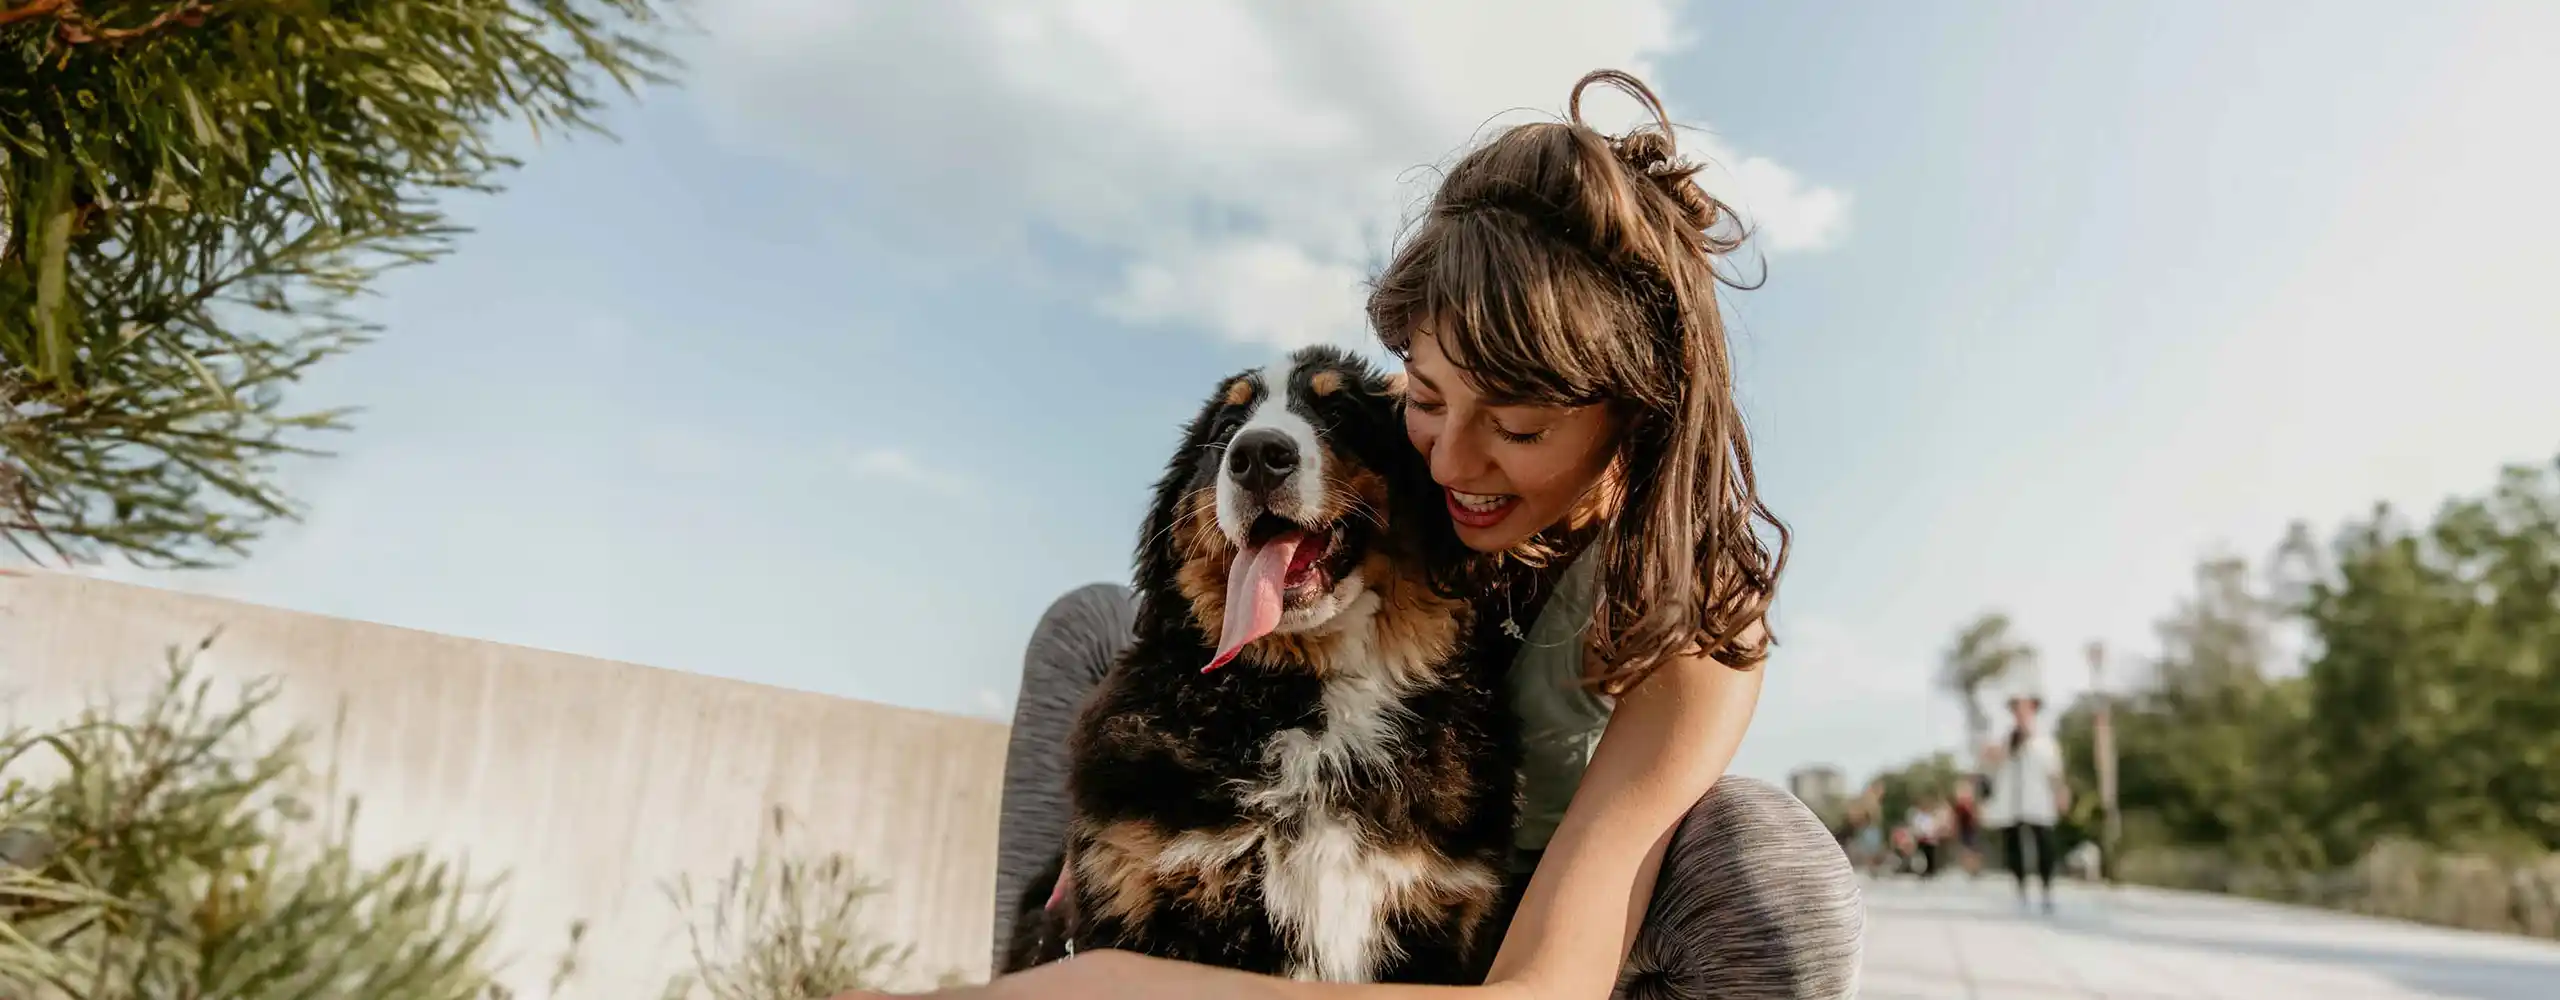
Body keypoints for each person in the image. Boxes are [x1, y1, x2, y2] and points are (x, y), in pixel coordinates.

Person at [839, 70, 1865, 1000]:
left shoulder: (1689, 625)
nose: (1452, 464)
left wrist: (1116, 987)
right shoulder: (1387, 461)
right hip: (1273, 838)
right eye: (1422, 394)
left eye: (1517, 428)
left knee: (1767, 852)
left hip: (1490, 947)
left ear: (1634, 416)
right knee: (1091, 624)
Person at [1981, 693, 2068, 913]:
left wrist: (2060, 794)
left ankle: (2047, 889)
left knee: (2044, 846)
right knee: (2014, 847)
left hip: (2039, 800)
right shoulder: (2006, 739)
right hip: (2011, 802)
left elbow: (2054, 771)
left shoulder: (2045, 740)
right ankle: (2020, 889)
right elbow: (1989, 763)